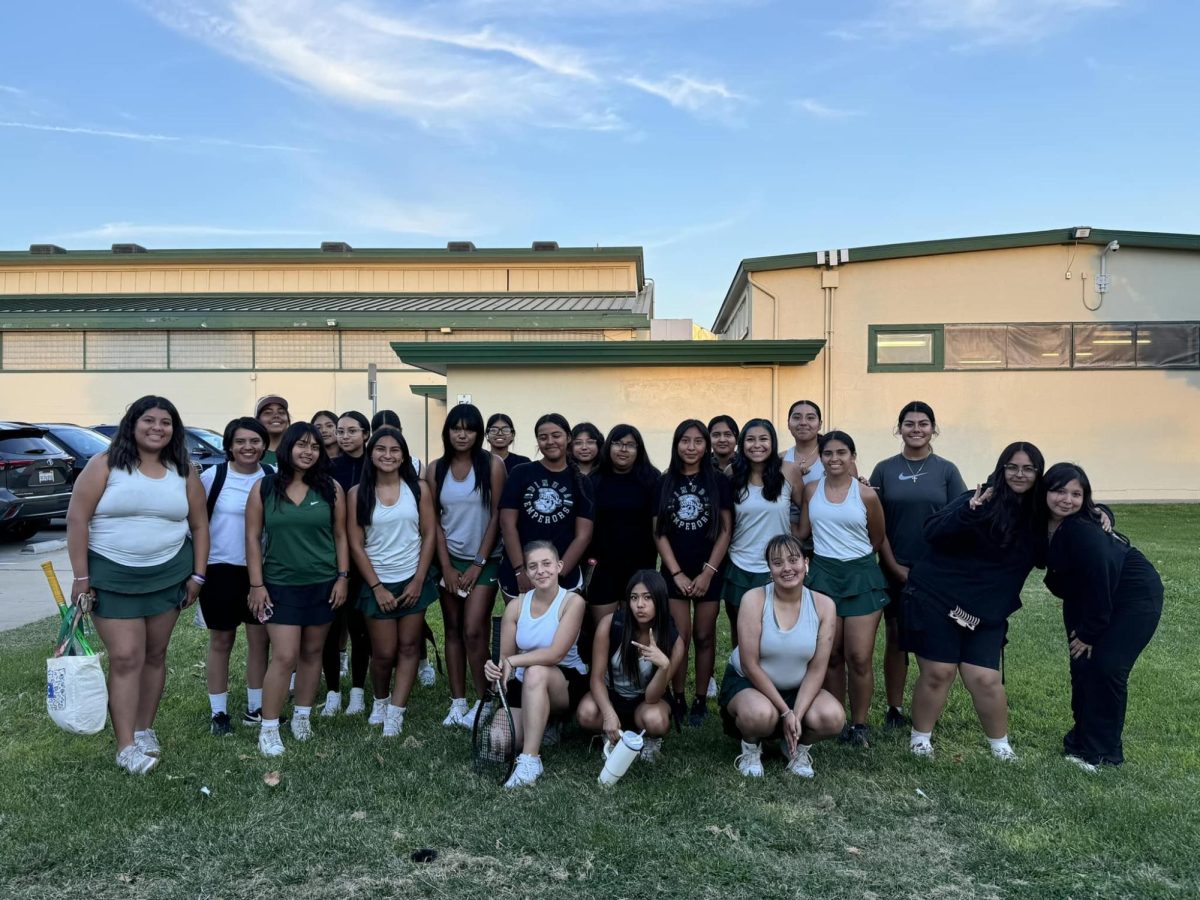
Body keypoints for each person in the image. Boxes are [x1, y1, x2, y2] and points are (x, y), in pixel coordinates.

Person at [66, 395, 210, 774]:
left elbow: (199, 525)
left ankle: (145, 730)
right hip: (112, 577)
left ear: (174, 431)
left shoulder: (184, 471)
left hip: (167, 576)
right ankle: (126, 744)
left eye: (166, 422)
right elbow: (77, 520)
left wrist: (197, 574)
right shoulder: (105, 465)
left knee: (155, 655)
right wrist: (81, 577)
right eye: (149, 420)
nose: (157, 428)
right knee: (127, 656)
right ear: (132, 423)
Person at [904, 442, 1045, 762]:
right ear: (1001, 468)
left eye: (1028, 468)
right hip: (939, 597)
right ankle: (920, 739)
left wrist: (1100, 513)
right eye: (1012, 467)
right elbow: (932, 531)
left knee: (984, 678)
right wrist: (971, 512)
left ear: (1038, 473)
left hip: (986, 612)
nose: (1019, 474)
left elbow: (1072, 507)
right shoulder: (978, 498)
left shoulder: (1040, 515)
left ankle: (1000, 746)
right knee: (939, 671)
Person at [1042, 463, 1163, 771]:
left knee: (1107, 667)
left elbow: (1102, 573)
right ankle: (1081, 741)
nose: (1067, 500)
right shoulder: (1038, 522)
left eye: (1076, 494)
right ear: (1044, 492)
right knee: (1081, 666)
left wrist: (1090, 631)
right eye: (1059, 491)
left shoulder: (1081, 528)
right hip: (1085, 596)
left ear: (1086, 499)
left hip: (1132, 596)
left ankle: (1104, 753)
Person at [245, 422, 349, 756]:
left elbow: (341, 535)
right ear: (287, 448)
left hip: (323, 583)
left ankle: (302, 717)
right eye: (301, 445)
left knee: (312, 654)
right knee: (285, 655)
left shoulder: (331, 488)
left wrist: (343, 576)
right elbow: (252, 538)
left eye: (315, 446)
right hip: (280, 585)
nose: (308, 452)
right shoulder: (264, 488)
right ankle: (270, 727)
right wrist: (256, 584)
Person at [869, 401, 967, 729]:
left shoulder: (947, 470)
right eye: (909, 424)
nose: (916, 429)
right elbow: (874, 524)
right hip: (893, 566)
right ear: (899, 429)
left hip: (935, 571)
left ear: (933, 429)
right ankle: (895, 709)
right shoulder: (884, 469)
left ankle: (927, 708)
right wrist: (894, 566)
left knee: (931, 638)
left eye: (923, 424)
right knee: (896, 636)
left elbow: (959, 520)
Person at [718, 534, 844, 778]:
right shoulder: (753, 599)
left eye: (793, 560)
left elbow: (818, 668)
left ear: (806, 563)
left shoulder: (825, 605)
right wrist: (786, 713)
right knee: (760, 715)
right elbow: (750, 664)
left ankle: (796, 747)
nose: (787, 568)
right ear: (769, 568)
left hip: (797, 687)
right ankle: (751, 748)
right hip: (750, 685)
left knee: (833, 717)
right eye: (777, 563)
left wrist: (796, 713)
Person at [797, 431, 888, 747]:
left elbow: (877, 537)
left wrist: (856, 562)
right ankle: (835, 718)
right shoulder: (811, 490)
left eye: (841, 453)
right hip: (823, 578)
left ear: (852, 456)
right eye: (828, 454)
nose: (834, 459)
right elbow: (803, 531)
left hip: (862, 578)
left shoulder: (866, 495)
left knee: (859, 656)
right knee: (831, 655)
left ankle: (860, 724)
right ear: (820, 458)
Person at [348, 426, 438, 736]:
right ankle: (381, 700)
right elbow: (356, 544)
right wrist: (376, 587)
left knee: (410, 647)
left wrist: (418, 580)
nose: (388, 455)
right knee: (384, 653)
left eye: (395, 450)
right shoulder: (357, 494)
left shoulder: (419, 489)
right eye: (381, 449)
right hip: (378, 583)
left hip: (412, 578)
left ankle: (397, 712)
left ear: (404, 455)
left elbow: (429, 535)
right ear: (370, 454)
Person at [484, 541, 588, 789]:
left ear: (559, 566)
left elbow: (554, 654)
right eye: (533, 566)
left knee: (536, 672)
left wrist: (514, 661)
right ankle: (546, 724)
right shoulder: (516, 606)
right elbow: (505, 660)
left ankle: (531, 760)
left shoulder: (573, 602)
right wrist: (495, 669)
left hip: (563, 682)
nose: (541, 571)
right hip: (525, 684)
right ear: (526, 573)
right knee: (499, 742)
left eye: (546, 564)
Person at [427, 404, 506, 728]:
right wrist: (445, 566)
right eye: (456, 428)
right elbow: (433, 522)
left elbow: (499, 517)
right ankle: (457, 702)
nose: (462, 434)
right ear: (447, 431)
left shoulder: (493, 465)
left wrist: (478, 563)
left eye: (469, 428)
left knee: (475, 630)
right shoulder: (435, 469)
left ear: (478, 433)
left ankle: (483, 699)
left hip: (484, 559)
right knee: (454, 630)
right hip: (449, 560)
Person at [654, 419, 732, 729]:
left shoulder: (718, 481)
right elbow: (658, 533)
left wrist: (707, 573)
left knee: (704, 635)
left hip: (708, 571)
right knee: (679, 638)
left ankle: (701, 697)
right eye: (685, 441)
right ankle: (678, 696)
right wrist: (676, 574)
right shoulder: (664, 481)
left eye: (698, 441)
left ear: (706, 445)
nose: (691, 447)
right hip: (675, 572)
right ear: (676, 444)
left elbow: (726, 530)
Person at [198, 417, 273, 734]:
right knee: (222, 641)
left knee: (260, 641)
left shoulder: (272, 477)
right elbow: (196, 525)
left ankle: (256, 709)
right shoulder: (212, 477)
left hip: (260, 571)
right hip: (219, 569)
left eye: (255, 441)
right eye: (240, 441)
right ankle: (219, 714)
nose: (248, 447)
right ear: (228, 445)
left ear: (264, 445)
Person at [576, 570, 684, 763]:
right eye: (634, 598)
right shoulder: (611, 624)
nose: (639, 605)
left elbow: (652, 698)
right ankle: (610, 732)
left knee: (656, 721)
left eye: (647, 598)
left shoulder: (673, 641)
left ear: (660, 600)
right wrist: (608, 714)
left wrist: (664, 666)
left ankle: (649, 741)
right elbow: (597, 678)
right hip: (612, 693)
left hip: (645, 701)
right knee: (586, 713)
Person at [724, 419, 804, 653]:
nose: (756, 445)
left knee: (778, 633)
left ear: (772, 442)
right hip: (740, 564)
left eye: (763, 439)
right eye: (750, 439)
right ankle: (742, 683)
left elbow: (807, 505)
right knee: (742, 634)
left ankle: (779, 685)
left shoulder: (788, 470)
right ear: (742, 443)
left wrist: (798, 534)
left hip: (779, 566)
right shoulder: (732, 473)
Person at [498, 413, 595, 600]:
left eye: (556, 435)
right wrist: (520, 570)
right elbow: (507, 524)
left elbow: (584, 535)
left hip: (563, 577)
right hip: (520, 575)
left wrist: (556, 575)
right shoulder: (521, 473)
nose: (550, 441)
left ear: (568, 438)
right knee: (521, 627)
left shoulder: (582, 482)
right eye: (543, 437)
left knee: (561, 629)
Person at [321, 410, 373, 717]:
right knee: (330, 628)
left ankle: (357, 692)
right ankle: (331, 693)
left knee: (359, 628)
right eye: (340, 431)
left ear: (366, 434)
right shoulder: (327, 467)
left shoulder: (376, 465)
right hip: (332, 557)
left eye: (352, 431)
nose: (344, 436)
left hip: (367, 558)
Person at [585, 424, 660, 622]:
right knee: (603, 628)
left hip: (639, 565)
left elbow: (658, 527)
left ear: (639, 450)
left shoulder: (652, 479)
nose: (623, 450)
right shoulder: (594, 480)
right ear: (608, 447)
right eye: (618, 443)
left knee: (635, 628)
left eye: (630, 445)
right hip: (602, 566)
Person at [781, 400, 824, 485]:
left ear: (820, 424)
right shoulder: (780, 459)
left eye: (810, 418)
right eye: (797, 417)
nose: (803, 423)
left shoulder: (835, 458)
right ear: (788, 424)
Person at [255, 395, 290, 466]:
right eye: (268, 412)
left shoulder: (297, 452)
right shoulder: (251, 453)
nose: (276, 415)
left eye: (281, 412)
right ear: (258, 420)